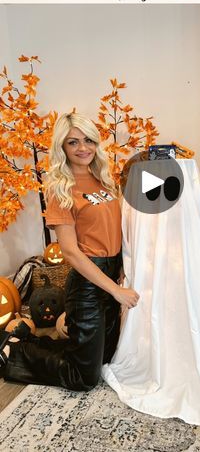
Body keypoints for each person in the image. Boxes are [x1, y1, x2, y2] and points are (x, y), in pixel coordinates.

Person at [0, 112, 139, 391]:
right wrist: (115, 290)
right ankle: (11, 353)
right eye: (73, 142)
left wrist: (123, 271)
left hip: (111, 272)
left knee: (105, 359)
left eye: (88, 140)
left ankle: (33, 342)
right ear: (62, 148)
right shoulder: (62, 190)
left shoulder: (104, 180)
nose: (83, 148)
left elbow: (118, 229)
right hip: (89, 283)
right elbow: (72, 253)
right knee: (84, 378)